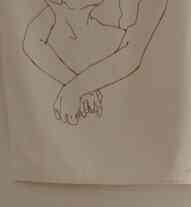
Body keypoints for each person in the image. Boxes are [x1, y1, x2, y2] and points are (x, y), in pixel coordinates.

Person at [22, 0, 168, 125]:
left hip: (143, 110)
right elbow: (33, 37)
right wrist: (76, 86)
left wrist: (76, 88)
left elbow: (131, 52)